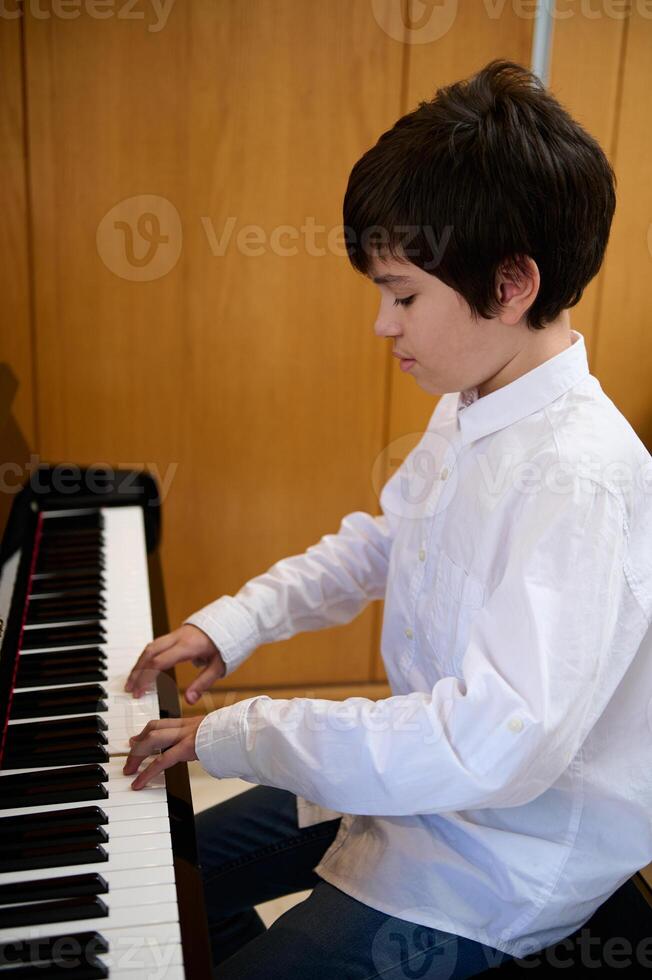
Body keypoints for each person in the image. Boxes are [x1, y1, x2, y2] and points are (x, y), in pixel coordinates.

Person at [122, 59, 652, 978]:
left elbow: (489, 746)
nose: (383, 325)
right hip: (409, 787)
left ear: (513, 283)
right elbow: (383, 539)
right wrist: (235, 623)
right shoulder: (479, 395)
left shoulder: (583, 478)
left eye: (403, 295)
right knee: (155, 877)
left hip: (493, 858)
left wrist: (240, 733)